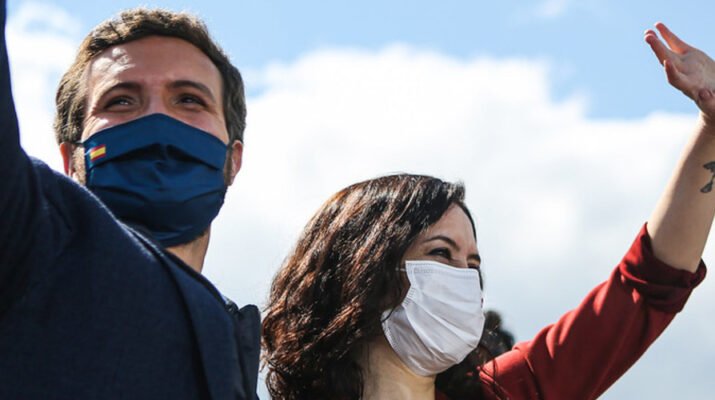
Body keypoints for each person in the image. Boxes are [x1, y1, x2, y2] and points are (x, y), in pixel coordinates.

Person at [261, 22, 712, 400]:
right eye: (441, 254)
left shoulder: (508, 391)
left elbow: (648, 286)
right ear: (362, 271)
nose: (464, 279)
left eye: (473, 265)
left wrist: (712, 127)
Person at [0, 2, 259, 399]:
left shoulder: (231, 341)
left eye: (189, 100)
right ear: (72, 159)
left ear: (233, 158)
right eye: (121, 101)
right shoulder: (27, 241)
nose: (157, 122)